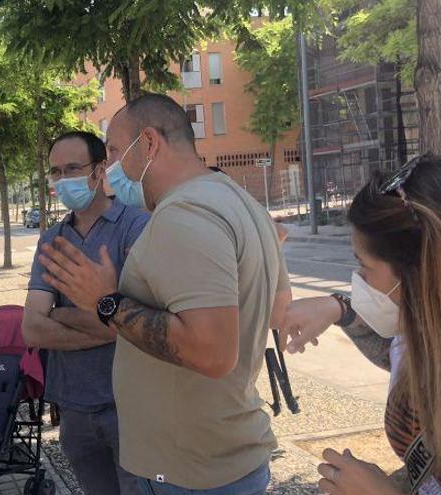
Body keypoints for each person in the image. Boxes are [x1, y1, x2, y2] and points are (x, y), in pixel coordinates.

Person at [39, 94, 291, 495]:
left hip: (191, 470)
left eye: (117, 152)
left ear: (150, 144)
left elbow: (211, 351)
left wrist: (106, 301)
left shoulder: (184, 214)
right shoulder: (242, 202)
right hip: (222, 455)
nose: (111, 170)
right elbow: (280, 310)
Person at [280, 154, 441, 495]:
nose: (357, 281)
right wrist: (341, 310)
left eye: (364, 267)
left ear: (423, 277)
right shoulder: (426, 339)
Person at [23, 131, 148, 495]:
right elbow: (32, 328)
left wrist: (61, 314)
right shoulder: (52, 240)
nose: (64, 181)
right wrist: (110, 321)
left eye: (73, 169)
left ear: (99, 170)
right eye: (56, 172)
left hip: (130, 407)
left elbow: (141, 322)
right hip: (74, 408)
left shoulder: (135, 228)